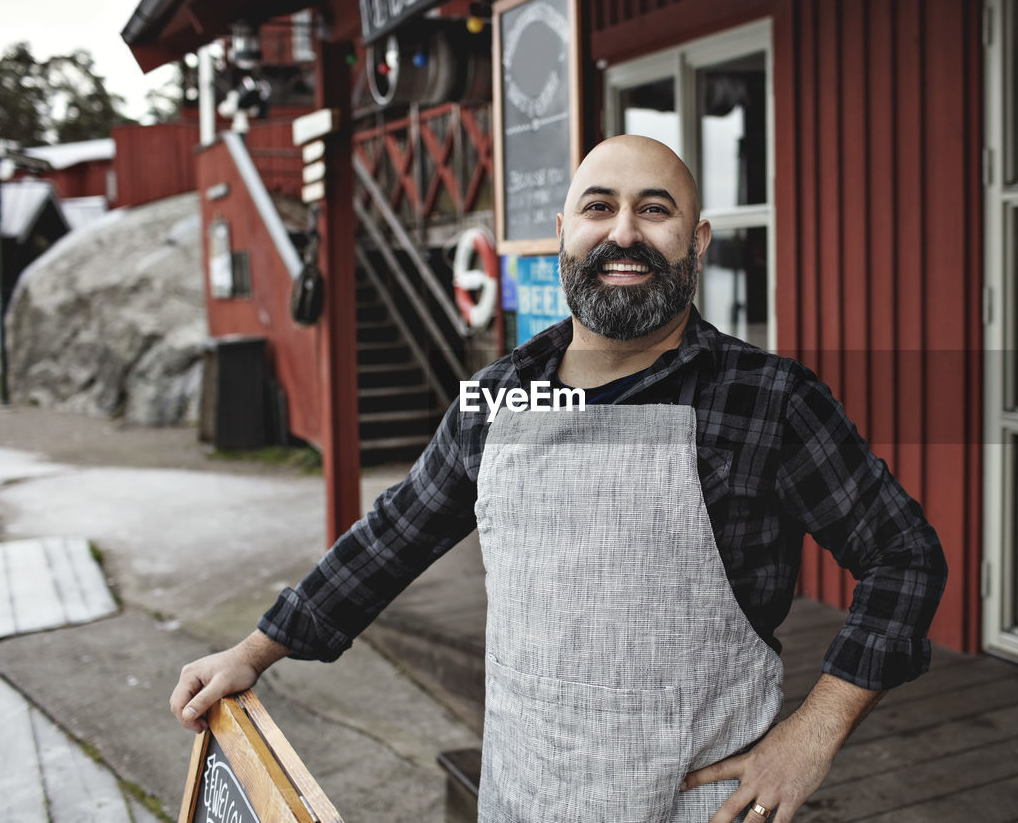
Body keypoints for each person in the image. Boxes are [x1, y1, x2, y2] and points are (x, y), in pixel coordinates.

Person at [171, 135, 947, 823]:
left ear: (696, 240)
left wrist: (811, 736)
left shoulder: (769, 398)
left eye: (655, 211)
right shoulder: (498, 396)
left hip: (700, 801)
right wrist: (255, 648)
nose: (623, 232)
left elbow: (905, 557)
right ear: (562, 236)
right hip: (525, 794)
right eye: (599, 207)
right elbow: (395, 534)